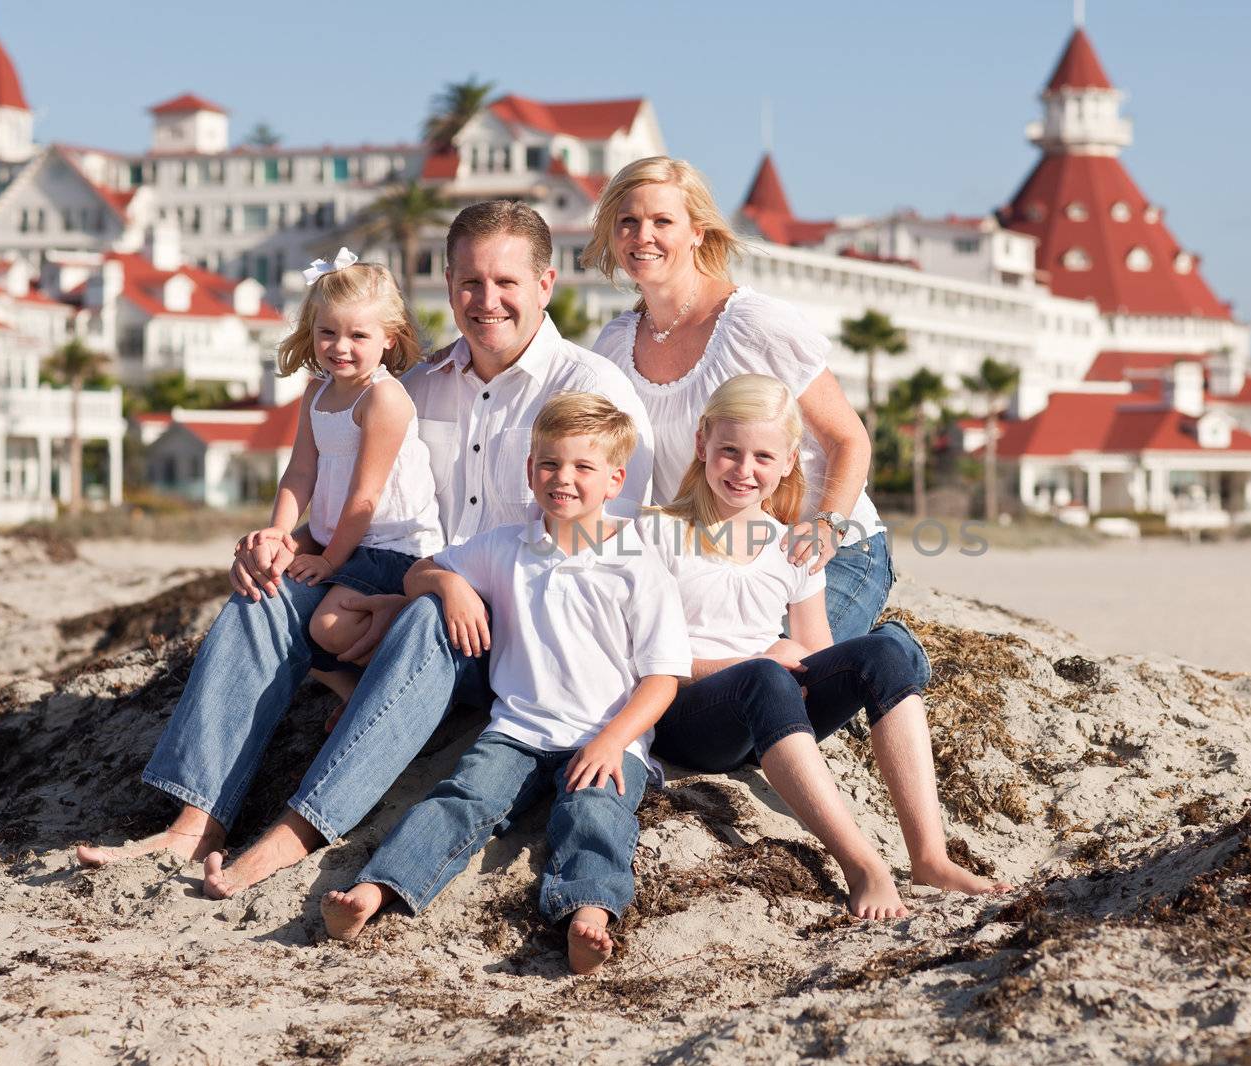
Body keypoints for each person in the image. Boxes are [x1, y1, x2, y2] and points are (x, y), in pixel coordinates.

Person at [76, 201, 653, 873]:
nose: (485, 300)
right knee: (265, 596)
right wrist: (281, 541)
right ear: (446, 281)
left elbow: (605, 560)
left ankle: (295, 830)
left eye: (506, 283)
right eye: (469, 282)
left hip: (508, 636)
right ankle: (195, 818)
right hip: (403, 590)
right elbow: (357, 501)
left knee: (432, 618)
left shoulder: (591, 391)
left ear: (545, 284)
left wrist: (421, 596)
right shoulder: (414, 386)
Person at [319, 393, 690, 975]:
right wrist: (452, 586)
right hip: (516, 731)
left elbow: (662, 679)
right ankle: (376, 892)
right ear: (529, 470)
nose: (562, 479)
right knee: (460, 800)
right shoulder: (504, 546)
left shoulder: (637, 565)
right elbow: (419, 573)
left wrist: (613, 741)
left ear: (617, 479)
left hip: (606, 738)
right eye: (549, 464)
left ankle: (588, 912)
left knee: (595, 813)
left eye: (582, 468)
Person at [643, 374, 1007, 919]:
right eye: (729, 451)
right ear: (702, 445)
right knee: (766, 675)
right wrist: (755, 660)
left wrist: (791, 663)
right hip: (691, 719)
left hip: (771, 716)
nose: (745, 470)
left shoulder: (789, 543)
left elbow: (815, 653)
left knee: (886, 650)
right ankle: (864, 867)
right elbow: (645, 661)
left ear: (790, 461)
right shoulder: (656, 534)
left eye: (763, 456)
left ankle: (929, 856)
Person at [584, 156, 919, 655]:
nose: (642, 235)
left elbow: (848, 438)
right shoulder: (612, 346)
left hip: (818, 553)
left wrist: (827, 526)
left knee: (769, 669)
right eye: (627, 221)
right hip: (705, 558)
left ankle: (887, 655)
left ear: (698, 232)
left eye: (662, 221)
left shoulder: (756, 325)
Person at [243, 252, 443, 716]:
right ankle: (350, 690)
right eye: (327, 332)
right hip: (341, 542)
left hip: (393, 546)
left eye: (358, 335)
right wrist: (279, 532)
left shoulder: (384, 398)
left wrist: (329, 562)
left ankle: (400, 679)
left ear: (388, 338)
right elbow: (300, 472)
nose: (340, 347)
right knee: (277, 598)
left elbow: (365, 497)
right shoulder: (316, 390)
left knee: (329, 626)